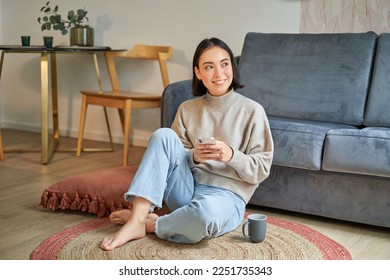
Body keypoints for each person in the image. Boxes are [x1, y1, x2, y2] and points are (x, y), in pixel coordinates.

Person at [100, 37, 274, 251]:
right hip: (186, 189)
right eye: (209, 67)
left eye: (224, 64)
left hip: (226, 198)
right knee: (163, 135)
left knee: (203, 213)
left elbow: (262, 169)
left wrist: (230, 155)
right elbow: (172, 160)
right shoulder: (187, 109)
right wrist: (194, 157)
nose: (219, 74)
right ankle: (136, 220)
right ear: (198, 73)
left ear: (233, 67)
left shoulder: (252, 111)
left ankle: (152, 223)